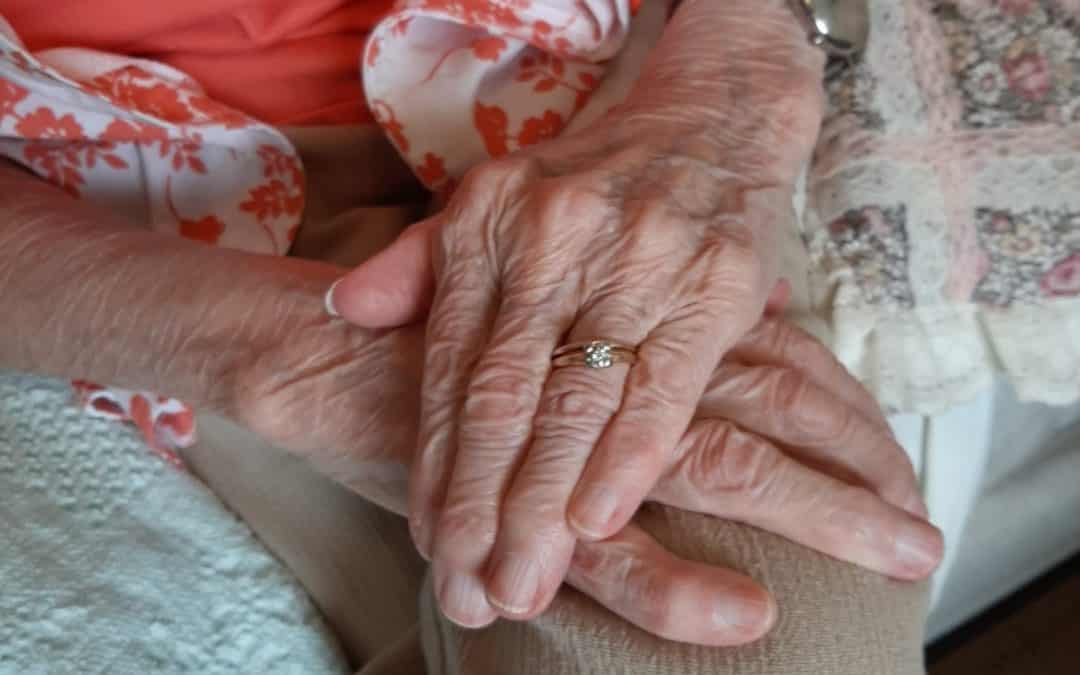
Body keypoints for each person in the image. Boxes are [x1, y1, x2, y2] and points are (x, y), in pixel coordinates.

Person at [0, 0, 944, 673]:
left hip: (624, 118)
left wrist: (742, 63)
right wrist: (281, 356)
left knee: (757, 626)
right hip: (149, 207)